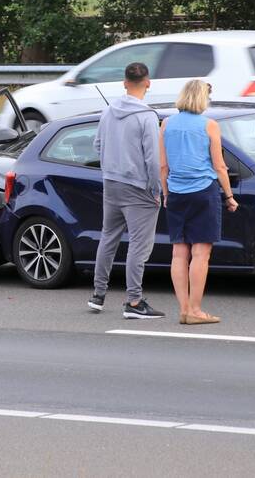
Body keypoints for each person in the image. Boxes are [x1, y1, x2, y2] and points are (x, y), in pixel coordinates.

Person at [87, 62, 165, 319]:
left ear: (124, 82)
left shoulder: (108, 110)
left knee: (108, 237)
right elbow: (153, 159)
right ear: (148, 82)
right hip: (138, 187)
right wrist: (157, 189)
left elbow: (97, 145)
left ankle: (98, 295)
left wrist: (111, 168)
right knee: (139, 245)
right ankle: (133, 302)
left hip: (111, 183)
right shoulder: (147, 116)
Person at [159, 79, 238, 326]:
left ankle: (183, 309)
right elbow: (220, 166)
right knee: (201, 252)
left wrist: (165, 193)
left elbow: (163, 165)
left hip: (176, 192)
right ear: (202, 99)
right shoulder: (209, 125)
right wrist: (229, 195)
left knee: (179, 252)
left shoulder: (167, 124)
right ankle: (195, 309)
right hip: (203, 191)